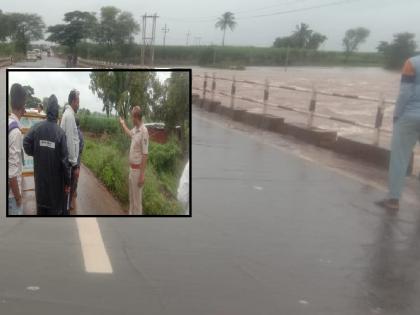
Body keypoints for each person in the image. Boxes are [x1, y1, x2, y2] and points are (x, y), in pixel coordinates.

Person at [376, 55, 420, 211]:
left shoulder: (412, 63)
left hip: (409, 116)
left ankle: (393, 200)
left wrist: (396, 114)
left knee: (400, 158)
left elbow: (405, 93)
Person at [23, 95, 71, 215]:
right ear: (57, 113)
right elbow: (65, 162)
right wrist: (68, 183)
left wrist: (36, 152)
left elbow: (26, 141)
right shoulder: (60, 134)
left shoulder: (37, 128)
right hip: (55, 191)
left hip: (40, 188)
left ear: (47, 110)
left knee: (41, 213)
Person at [119, 106, 149, 215]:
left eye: (132, 116)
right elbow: (129, 133)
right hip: (131, 170)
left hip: (137, 172)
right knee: (131, 199)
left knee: (137, 203)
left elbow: (145, 154)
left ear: (136, 117)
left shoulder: (143, 131)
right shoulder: (136, 130)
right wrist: (122, 124)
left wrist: (142, 175)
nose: (131, 119)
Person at [8, 83, 27, 215]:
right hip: (11, 197)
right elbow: (12, 174)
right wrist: (19, 198)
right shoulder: (16, 132)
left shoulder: (8, 123)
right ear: (23, 106)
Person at [60, 89, 80, 211]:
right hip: (69, 163)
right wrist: (75, 164)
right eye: (78, 101)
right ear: (73, 101)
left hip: (68, 162)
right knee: (67, 192)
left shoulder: (68, 114)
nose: (79, 104)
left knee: (66, 192)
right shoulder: (69, 116)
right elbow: (70, 143)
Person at [70, 118, 84, 210]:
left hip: (72, 160)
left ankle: (70, 200)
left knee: (71, 177)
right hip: (78, 160)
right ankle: (74, 192)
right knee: (76, 177)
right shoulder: (81, 134)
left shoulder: (74, 133)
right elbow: (81, 147)